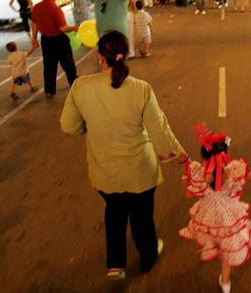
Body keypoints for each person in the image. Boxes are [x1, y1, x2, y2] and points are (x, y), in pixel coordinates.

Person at [60, 30, 186, 280]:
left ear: (100, 57)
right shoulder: (140, 89)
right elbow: (159, 130)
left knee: (114, 212)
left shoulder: (81, 87)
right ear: (124, 55)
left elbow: (69, 125)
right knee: (142, 218)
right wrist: (180, 155)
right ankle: (148, 256)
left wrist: (90, 127)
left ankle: (116, 265)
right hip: (140, 172)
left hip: (105, 173)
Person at [180, 124, 251, 293]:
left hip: (208, 217)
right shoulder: (234, 171)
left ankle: (209, 249)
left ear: (204, 159)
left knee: (209, 235)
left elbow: (187, 194)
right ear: (225, 156)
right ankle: (225, 282)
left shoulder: (197, 174)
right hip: (228, 219)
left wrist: (184, 175)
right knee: (227, 250)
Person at [31, 0, 79, 98]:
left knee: (49, 66)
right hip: (59, 40)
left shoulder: (36, 8)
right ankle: (74, 85)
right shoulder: (55, 9)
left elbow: (34, 25)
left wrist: (34, 39)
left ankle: (49, 91)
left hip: (46, 40)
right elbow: (63, 28)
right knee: (68, 64)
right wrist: (75, 28)